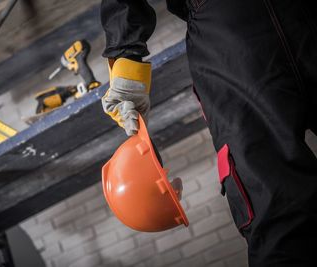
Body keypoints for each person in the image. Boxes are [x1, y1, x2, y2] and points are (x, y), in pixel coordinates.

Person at [100, 0, 317, 266]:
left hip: (228, 35)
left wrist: (125, 55)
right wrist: (124, 56)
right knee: (278, 217)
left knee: (279, 217)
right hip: (232, 28)